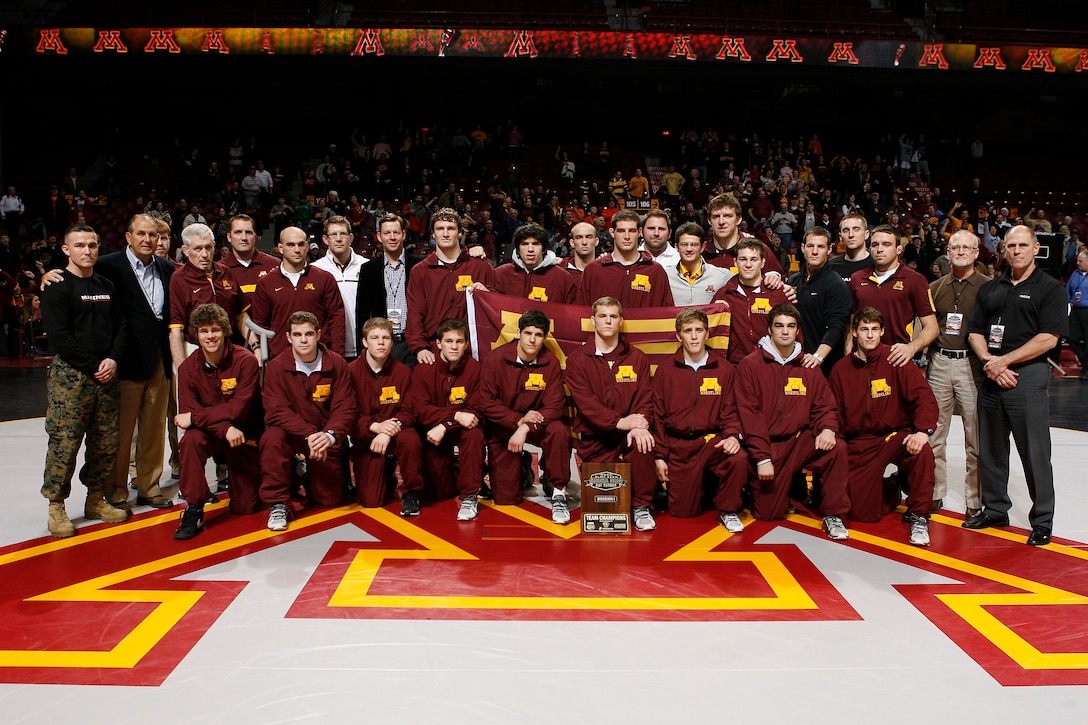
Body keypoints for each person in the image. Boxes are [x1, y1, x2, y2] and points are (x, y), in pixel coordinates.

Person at [964, 226, 1068, 546]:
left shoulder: (1050, 288)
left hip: (1028, 375)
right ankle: (995, 509)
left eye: (1024, 245)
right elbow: (975, 331)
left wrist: (1004, 361)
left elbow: (1048, 338)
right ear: (1004, 251)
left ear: (1036, 249)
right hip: (993, 374)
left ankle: (1042, 520)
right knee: (991, 450)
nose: (1018, 250)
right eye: (1012, 245)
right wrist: (989, 362)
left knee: (1034, 452)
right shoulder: (991, 288)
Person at [39, 223, 130, 537]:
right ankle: (56, 507)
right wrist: (95, 365)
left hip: (106, 375)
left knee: (106, 443)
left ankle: (95, 499)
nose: (87, 251)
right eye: (79, 245)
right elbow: (59, 337)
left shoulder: (106, 284)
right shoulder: (57, 286)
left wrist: (113, 359)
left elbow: (121, 326)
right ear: (66, 249)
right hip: (72, 377)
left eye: (92, 245)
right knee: (65, 444)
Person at [734, 303, 851, 540]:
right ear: (769, 330)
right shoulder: (750, 365)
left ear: (798, 330)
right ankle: (767, 487)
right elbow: (749, 415)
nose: (785, 331)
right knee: (768, 514)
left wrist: (828, 428)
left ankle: (833, 514)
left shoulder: (808, 367)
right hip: (766, 445)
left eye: (790, 326)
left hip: (798, 442)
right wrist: (762, 457)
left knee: (836, 447)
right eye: (779, 326)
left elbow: (825, 406)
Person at [830, 307, 938, 546]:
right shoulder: (840, 370)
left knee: (922, 452)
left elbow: (923, 398)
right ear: (854, 332)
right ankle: (892, 487)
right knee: (862, 514)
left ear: (882, 332)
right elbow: (833, 412)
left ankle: (919, 515)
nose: (869, 335)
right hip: (860, 443)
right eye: (864, 329)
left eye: (874, 330)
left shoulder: (896, 360)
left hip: (894, 436)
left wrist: (922, 431)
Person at [96, 213, 176, 510]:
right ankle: (116, 489)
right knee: (122, 431)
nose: (147, 240)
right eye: (141, 234)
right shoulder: (107, 266)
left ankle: (150, 487)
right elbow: (75, 275)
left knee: (154, 429)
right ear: (128, 236)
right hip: (125, 361)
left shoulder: (167, 268)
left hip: (159, 359)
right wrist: (49, 276)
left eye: (152, 235)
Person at [565, 297, 659, 531]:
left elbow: (646, 397)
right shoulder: (577, 360)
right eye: (603, 316)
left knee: (643, 443)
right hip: (596, 434)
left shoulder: (637, 357)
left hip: (629, 432)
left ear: (621, 321)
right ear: (593, 320)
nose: (608, 321)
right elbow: (586, 404)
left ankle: (642, 506)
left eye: (613, 316)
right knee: (602, 506)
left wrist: (639, 424)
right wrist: (619, 422)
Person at [651, 308, 748, 531]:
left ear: (707, 334)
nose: (694, 336)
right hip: (679, 446)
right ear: (678, 336)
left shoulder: (725, 370)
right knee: (683, 512)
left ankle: (729, 510)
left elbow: (733, 410)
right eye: (688, 331)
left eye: (699, 330)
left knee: (738, 457)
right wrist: (660, 456)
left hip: (711, 441)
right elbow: (658, 416)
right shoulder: (666, 370)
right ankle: (702, 488)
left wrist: (733, 435)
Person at [260, 311, 357, 532]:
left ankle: (299, 470)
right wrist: (309, 434)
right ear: (288, 337)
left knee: (329, 500)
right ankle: (278, 502)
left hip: (323, 437)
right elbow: (275, 411)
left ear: (319, 335)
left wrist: (329, 435)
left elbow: (346, 407)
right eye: (297, 334)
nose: (303, 340)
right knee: (272, 437)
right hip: (293, 435)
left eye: (309, 334)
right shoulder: (275, 367)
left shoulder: (337, 364)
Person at [173, 303, 263, 540]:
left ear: (225, 330)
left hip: (243, 432)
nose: (210, 336)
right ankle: (194, 508)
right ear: (195, 335)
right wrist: (223, 428)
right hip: (215, 433)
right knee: (191, 440)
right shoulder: (187, 369)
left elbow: (239, 409)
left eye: (215, 329)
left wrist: (195, 417)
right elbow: (188, 416)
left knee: (245, 507)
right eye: (204, 331)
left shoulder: (245, 361)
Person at [476, 309, 572, 523]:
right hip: (504, 426)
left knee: (558, 430)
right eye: (528, 333)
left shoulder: (551, 362)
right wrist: (517, 421)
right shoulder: (496, 358)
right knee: (506, 498)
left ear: (545, 337)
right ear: (518, 333)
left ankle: (558, 490)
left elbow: (555, 405)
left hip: (538, 425)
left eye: (538, 335)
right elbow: (486, 402)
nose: (532, 339)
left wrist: (526, 426)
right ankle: (523, 467)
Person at [928, 230, 990, 518]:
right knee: (934, 434)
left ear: (977, 253)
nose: (961, 251)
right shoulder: (935, 287)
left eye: (967, 247)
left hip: (972, 366)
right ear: (948, 252)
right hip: (939, 362)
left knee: (975, 437)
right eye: (956, 247)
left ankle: (974, 500)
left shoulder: (989, 288)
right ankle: (934, 492)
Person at [406, 318, 485, 521]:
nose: (454, 346)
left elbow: (475, 410)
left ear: (467, 344)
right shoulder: (423, 369)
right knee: (439, 493)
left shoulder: (476, 369)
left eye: (459, 341)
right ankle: (458, 471)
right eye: (449, 341)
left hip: (460, 430)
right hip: (433, 434)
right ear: (438, 343)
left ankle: (469, 496)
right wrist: (455, 415)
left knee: (474, 433)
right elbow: (421, 410)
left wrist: (446, 424)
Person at [348, 317, 424, 514]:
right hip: (366, 436)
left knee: (411, 440)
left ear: (392, 342)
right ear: (365, 342)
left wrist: (387, 431)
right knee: (371, 501)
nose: (380, 342)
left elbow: (410, 410)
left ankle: (412, 493)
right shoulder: (349, 372)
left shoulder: (404, 372)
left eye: (386, 338)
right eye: (375, 337)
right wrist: (374, 427)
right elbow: (346, 413)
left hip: (396, 432)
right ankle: (386, 472)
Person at [406, 208, 495, 365]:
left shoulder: (480, 267)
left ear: (460, 233)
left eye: (451, 229)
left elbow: (498, 308)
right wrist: (420, 348)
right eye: (440, 229)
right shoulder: (420, 271)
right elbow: (414, 315)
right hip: (433, 351)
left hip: (473, 351)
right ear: (433, 234)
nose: (445, 233)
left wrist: (488, 295)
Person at [250, 225, 346, 360]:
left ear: (307, 246)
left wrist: (336, 356)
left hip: (320, 357)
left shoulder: (324, 279)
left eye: (301, 244)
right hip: (280, 360)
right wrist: (272, 353)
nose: (297, 250)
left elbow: (336, 319)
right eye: (291, 245)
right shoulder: (266, 283)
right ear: (280, 248)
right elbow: (260, 324)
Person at [848, 224, 938, 366]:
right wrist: (848, 354)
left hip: (897, 360)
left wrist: (911, 348)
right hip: (862, 361)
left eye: (886, 244)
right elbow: (852, 322)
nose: (880, 249)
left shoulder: (915, 280)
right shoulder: (857, 278)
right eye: (875, 244)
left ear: (899, 249)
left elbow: (932, 327)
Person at [168, 223, 246, 373]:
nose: (204, 254)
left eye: (208, 247)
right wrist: (182, 369)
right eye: (198, 248)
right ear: (185, 250)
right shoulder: (179, 279)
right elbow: (176, 329)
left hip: (228, 348)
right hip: (194, 349)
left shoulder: (226, 272)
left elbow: (241, 314)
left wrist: (256, 345)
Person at [357, 213, 421, 366]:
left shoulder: (419, 266)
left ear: (403, 234)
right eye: (387, 233)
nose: (392, 237)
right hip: (380, 344)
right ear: (379, 236)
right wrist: (363, 348)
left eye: (396, 233)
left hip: (411, 344)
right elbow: (362, 312)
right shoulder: (368, 269)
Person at [713, 239, 790, 364]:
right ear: (735, 262)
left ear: (763, 262)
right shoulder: (724, 295)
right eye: (743, 259)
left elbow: (795, 331)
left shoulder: (778, 294)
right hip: (736, 365)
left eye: (754, 259)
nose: (748, 264)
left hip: (771, 364)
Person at [787, 227, 852, 373]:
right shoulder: (793, 280)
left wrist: (818, 356)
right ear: (803, 248)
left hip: (824, 365)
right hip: (795, 361)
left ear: (829, 250)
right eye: (810, 246)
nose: (814, 251)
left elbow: (836, 327)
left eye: (820, 247)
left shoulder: (836, 285)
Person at [576, 210, 673, 307]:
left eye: (632, 231)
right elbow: (581, 313)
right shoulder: (594, 270)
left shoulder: (655, 271)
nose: (627, 236)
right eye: (621, 231)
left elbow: (667, 313)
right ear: (612, 232)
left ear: (640, 232)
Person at [311, 215, 368, 361]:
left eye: (343, 234)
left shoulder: (367, 266)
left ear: (351, 238)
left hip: (364, 346)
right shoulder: (315, 269)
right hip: (330, 347)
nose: (338, 239)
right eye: (333, 234)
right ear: (325, 239)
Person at [701, 193, 785, 282]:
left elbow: (780, 282)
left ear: (738, 219)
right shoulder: (701, 251)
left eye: (727, 216)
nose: (721, 222)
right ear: (709, 221)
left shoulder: (757, 248)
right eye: (716, 216)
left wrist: (775, 278)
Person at [494, 223, 576, 304]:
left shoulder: (562, 278)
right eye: (525, 244)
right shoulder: (500, 274)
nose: (530, 249)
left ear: (543, 249)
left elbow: (572, 313)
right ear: (518, 249)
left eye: (535, 244)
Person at [666, 222, 732, 305]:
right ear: (676, 247)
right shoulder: (665, 277)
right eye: (684, 244)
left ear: (703, 247)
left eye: (694, 244)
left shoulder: (723, 276)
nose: (689, 249)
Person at [220, 213, 279, 299]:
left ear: (255, 237)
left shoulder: (275, 265)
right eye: (238, 232)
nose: (244, 237)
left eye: (248, 232)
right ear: (229, 237)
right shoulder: (219, 270)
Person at [829, 212, 873, 285]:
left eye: (856, 229)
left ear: (866, 234)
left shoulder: (877, 266)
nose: (851, 235)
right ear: (840, 237)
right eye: (846, 230)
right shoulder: (831, 267)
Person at [1066, 248, 1088, 379]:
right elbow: (1068, 288)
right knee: (1072, 337)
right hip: (1075, 311)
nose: (1077, 263)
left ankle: (1086, 369)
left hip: (1087, 311)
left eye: (1080, 261)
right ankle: (1086, 361)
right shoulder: (1075, 273)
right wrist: (1068, 301)